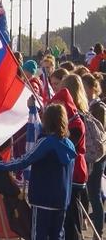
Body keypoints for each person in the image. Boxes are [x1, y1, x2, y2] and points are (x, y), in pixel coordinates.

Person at [0, 103, 77, 240]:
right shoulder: (69, 144)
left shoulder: (46, 143)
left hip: (43, 199)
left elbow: (24, 160)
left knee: (38, 235)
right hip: (62, 200)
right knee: (57, 235)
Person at [52, 83, 87, 240]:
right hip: (71, 172)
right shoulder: (71, 121)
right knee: (69, 214)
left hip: (75, 173)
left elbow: (67, 148)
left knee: (72, 215)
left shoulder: (76, 124)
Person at [81, 73, 106, 238]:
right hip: (88, 155)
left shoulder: (98, 107)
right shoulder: (87, 105)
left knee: (94, 194)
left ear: (91, 88)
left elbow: (100, 133)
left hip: (97, 157)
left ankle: (98, 231)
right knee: (89, 193)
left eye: (84, 87)